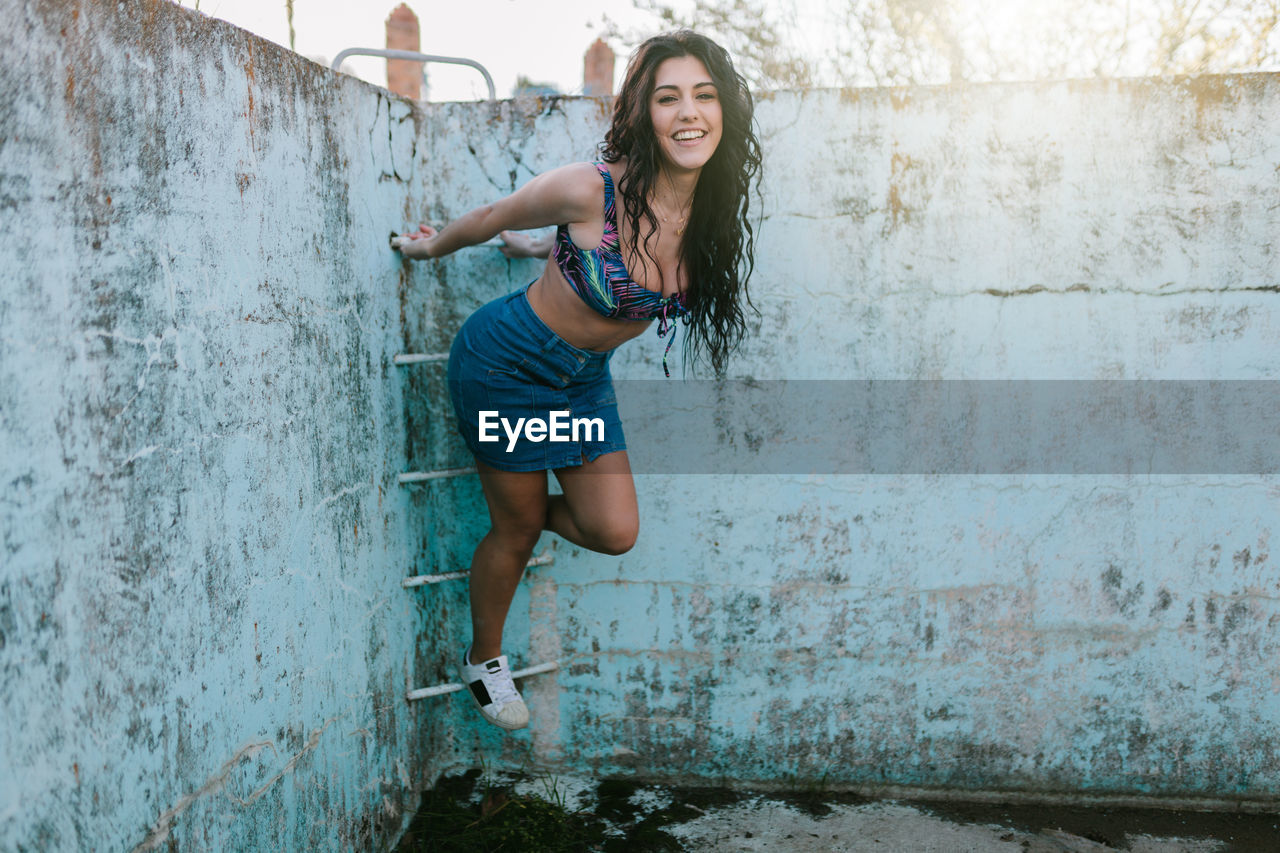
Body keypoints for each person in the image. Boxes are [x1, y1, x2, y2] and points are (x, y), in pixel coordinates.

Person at [392, 30, 761, 731]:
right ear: (642, 111)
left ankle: (523, 510)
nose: (690, 112)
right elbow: (490, 216)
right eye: (669, 97)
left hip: (581, 381)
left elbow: (578, 257)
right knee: (519, 526)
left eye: (705, 96)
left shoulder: (712, 214)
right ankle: (484, 659)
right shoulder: (589, 189)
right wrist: (428, 245)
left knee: (613, 528)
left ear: (724, 111)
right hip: (506, 364)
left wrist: (541, 247)